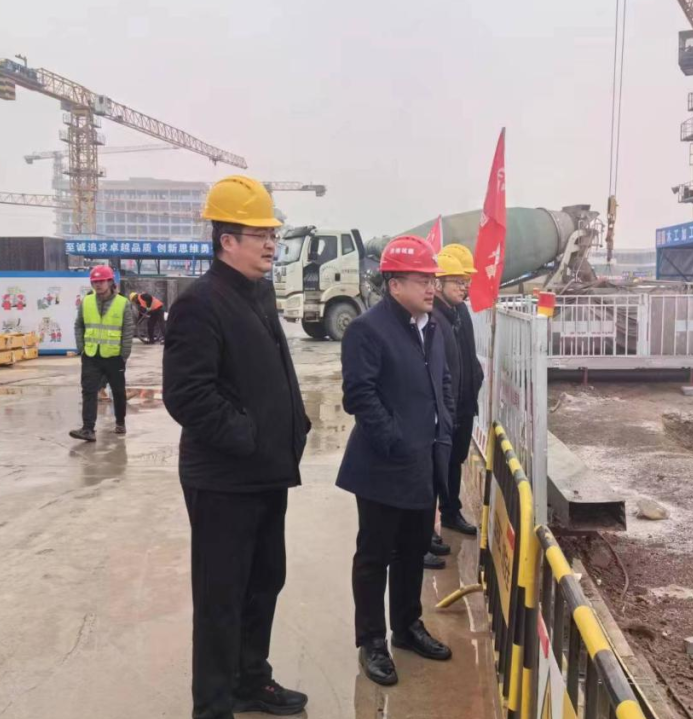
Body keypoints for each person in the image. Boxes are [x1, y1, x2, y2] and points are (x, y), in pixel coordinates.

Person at [163, 175, 310, 719]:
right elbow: (186, 394)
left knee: (264, 582)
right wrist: (246, 435)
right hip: (224, 479)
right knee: (221, 597)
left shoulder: (258, 293)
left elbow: (271, 372)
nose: (271, 244)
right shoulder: (200, 303)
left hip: (267, 472)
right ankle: (213, 705)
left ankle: (251, 681)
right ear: (227, 240)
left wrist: (294, 424)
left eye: (273, 234)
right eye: (260, 234)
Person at [337, 235, 455, 687]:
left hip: (423, 461)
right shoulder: (367, 330)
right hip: (382, 466)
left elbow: (442, 381)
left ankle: (406, 626)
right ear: (394, 284)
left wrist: (442, 426)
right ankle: (371, 641)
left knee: (413, 550)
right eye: (422, 280)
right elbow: (359, 396)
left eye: (433, 279)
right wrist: (396, 440)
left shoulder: (433, 325)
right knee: (374, 556)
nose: (431, 287)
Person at [433, 245, 482, 537]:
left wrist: (476, 378)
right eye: (458, 281)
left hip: (463, 403)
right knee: (435, 468)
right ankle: (429, 527)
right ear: (438, 283)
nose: (464, 287)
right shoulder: (433, 317)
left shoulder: (460, 311)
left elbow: (467, 355)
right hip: (445, 407)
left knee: (455, 461)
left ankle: (451, 511)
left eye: (467, 281)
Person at [69, 265, 134, 441]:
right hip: (91, 355)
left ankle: (120, 422)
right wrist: (81, 347)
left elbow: (128, 330)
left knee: (118, 391)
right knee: (89, 390)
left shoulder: (122, 303)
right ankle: (88, 429)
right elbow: (79, 325)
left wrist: (124, 354)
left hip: (114, 356)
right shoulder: (87, 301)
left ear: (110, 282)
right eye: (94, 282)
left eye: (101, 281)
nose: (97, 285)